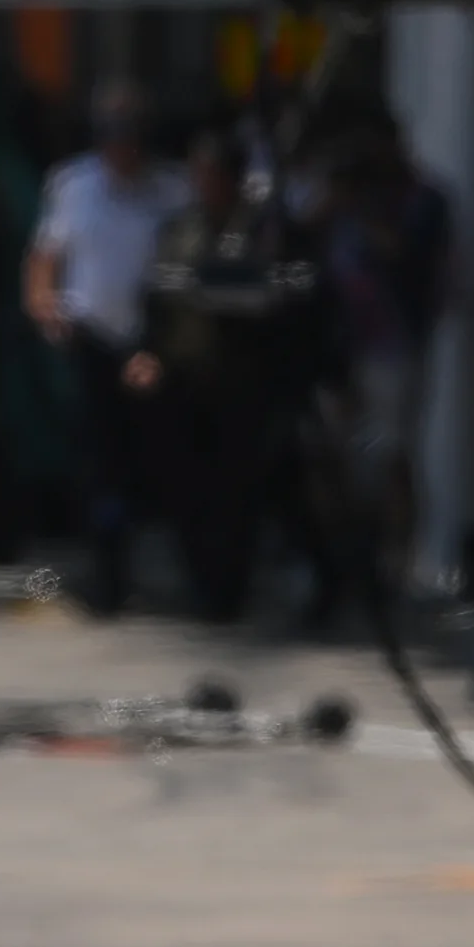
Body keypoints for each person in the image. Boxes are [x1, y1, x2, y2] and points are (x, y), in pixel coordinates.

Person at [122, 133, 315, 625]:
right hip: (184, 381)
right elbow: (157, 294)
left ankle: (227, 590)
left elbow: (281, 295)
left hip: (243, 386)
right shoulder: (180, 228)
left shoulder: (265, 230)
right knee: (187, 490)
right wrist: (146, 351)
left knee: (237, 496)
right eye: (198, 176)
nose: (203, 186)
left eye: (212, 176)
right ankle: (200, 584)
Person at [26, 84, 189, 614]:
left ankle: (162, 568)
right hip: (91, 336)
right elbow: (45, 256)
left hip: (152, 340)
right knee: (100, 464)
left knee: (155, 460)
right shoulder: (75, 184)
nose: (124, 151)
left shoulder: (172, 190)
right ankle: (107, 578)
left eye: (133, 140)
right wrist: (44, 303)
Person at [311, 112, 454, 592]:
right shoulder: (336, 208)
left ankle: (397, 564)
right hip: (340, 350)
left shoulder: (421, 199)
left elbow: (408, 256)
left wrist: (361, 211)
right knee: (335, 459)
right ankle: (345, 563)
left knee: (392, 457)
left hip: (393, 347)